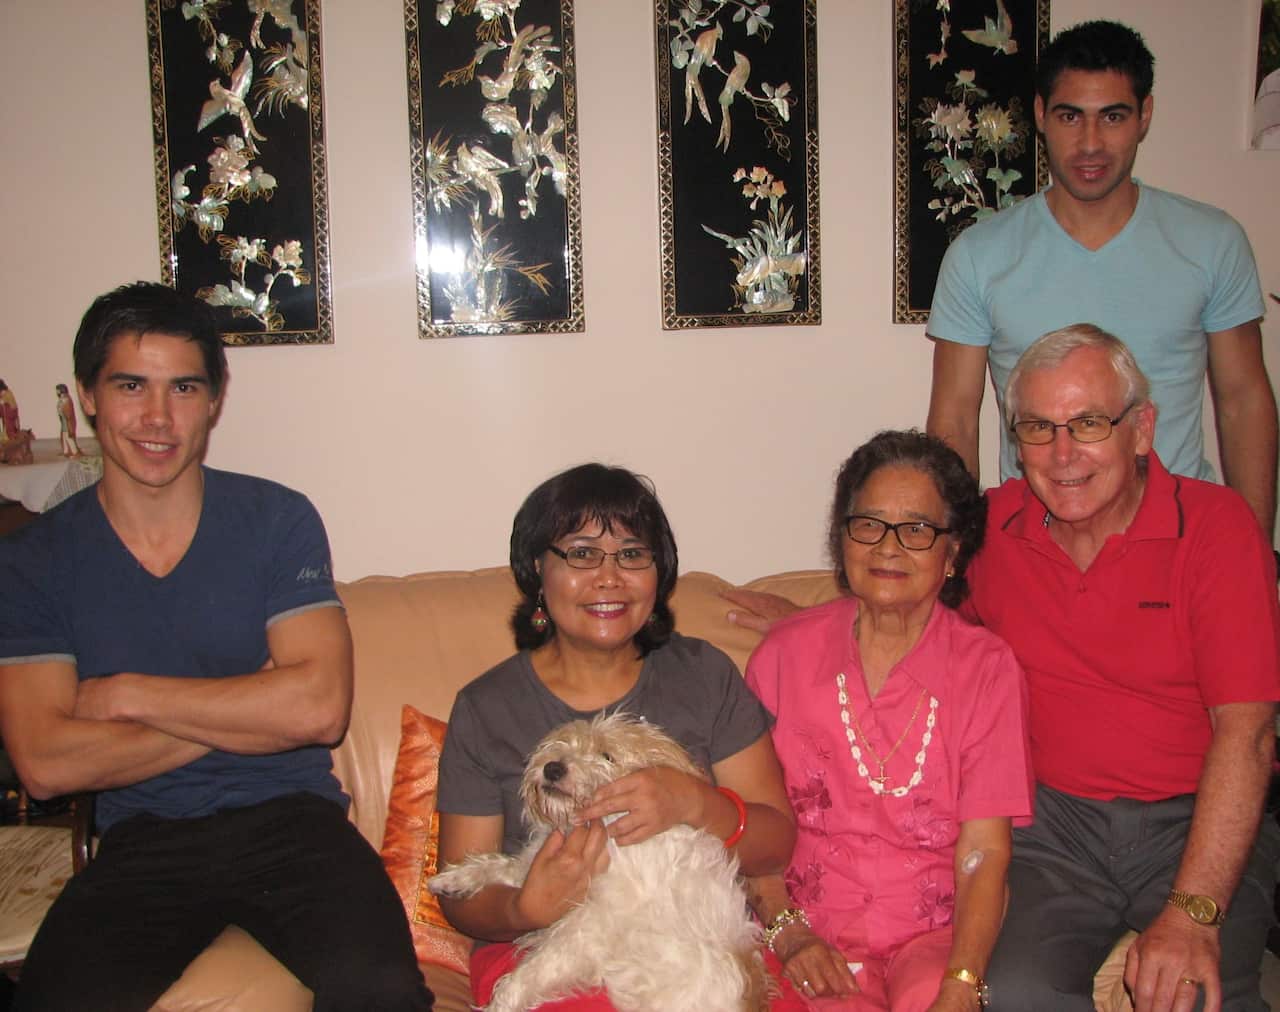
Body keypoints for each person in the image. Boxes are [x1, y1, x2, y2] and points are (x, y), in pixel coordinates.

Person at [0, 282, 432, 1011]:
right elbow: (44, 764)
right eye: (131, 385)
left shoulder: (276, 520)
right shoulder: (35, 559)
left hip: (294, 823)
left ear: (214, 400)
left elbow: (320, 712)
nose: (159, 418)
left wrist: (128, 695)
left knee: (383, 990)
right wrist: (254, 702)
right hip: (143, 837)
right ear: (89, 395)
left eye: (185, 388)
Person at [964, 325, 1280, 1012]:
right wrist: (816, 619)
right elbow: (911, 607)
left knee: (1196, 994)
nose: (1062, 453)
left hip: (1191, 815)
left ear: (1142, 429)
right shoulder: (991, 528)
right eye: (1038, 428)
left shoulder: (1218, 530)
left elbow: (1248, 734)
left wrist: (1193, 914)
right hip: (1049, 827)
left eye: (1088, 422)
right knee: (1015, 992)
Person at [435, 462, 797, 1010]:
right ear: (537, 569)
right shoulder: (486, 708)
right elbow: (461, 895)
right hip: (544, 951)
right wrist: (526, 909)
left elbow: (776, 843)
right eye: (581, 554)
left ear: (659, 572)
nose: (609, 577)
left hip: (696, 947)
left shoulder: (703, 675)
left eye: (632, 554)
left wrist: (695, 802)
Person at [924, 20, 1277, 535]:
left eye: (1112, 116)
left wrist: (1256, 553)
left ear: (1144, 116)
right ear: (1042, 116)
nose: (1090, 143)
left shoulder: (1212, 242)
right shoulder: (979, 257)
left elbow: (1244, 399)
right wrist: (959, 556)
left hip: (1178, 542)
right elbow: (954, 419)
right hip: (1036, 547)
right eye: (1071, 117)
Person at [745, 431, 1033, 1012]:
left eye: (918, 529)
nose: (888, 547)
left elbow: (985, 849)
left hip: (937, 938)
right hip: (809, 933)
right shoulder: (783, 658)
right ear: (843, 538)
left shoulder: (987, 669)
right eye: (868, 524)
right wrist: (790, 933)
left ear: (952, 554)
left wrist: (962, 981)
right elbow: (751, 824)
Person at [54, 383, 82, 457]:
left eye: (58, 390)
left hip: (67, 421)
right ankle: (66, 451)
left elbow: (68, 413)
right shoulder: (62, 399)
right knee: (64, 437)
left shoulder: (67, 400)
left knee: (69, 437)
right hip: (63, 420)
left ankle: (75, 452)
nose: (57, 392)